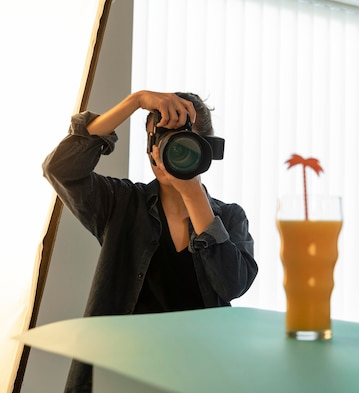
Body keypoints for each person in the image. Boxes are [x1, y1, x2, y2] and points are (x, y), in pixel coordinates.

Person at [43, 90, 258, 392]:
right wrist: (136, 101)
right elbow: (60, 169)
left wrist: (192, 191)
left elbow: (232, 284)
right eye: (158, 137)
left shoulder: (230, 218)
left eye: (180, 140)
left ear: (204, 149)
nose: (166, 149)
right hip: (118, 378)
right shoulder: (122, 204)